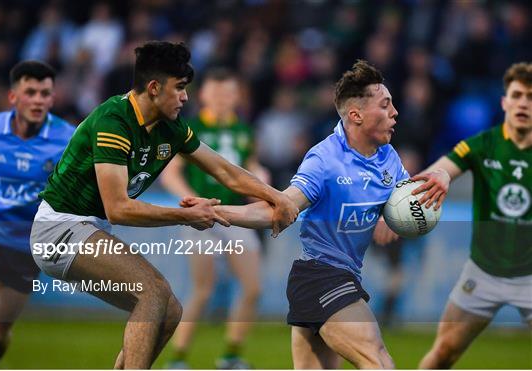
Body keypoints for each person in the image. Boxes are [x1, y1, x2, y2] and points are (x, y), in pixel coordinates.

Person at [29, 41, 298, 369]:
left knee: (170, 311)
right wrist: (186, 215)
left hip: (86, 228)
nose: (186, 97)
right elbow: (119, 209)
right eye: (180, 88)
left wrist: (279, 197)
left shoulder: (170, 127)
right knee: (152, 292)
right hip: (58, 229)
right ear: (154, 88)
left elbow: (226, 171)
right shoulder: (113, 121)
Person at [186, 60, 448, 369]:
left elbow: (407, 199)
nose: (395, 112)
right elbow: (280, 208)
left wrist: (441, 174)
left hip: (339, 277)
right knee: (378, 360)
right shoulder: (324, 160)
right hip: (321, 277)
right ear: (356, 115)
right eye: (386, 105)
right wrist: (216, 211)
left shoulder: (388, 157)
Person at [418, 62, 532, 368]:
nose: (523, 103)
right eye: (518, 95)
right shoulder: (483, 145)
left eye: (531, 97)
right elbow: (436, 172)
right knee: (443, 353)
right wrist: (436, 178)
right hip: (483, 273)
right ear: (504, 101)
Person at [161, 68, 266, 369]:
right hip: (200, 217)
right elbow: (171, 174)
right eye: (216, 92)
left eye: (228, 92)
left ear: (237, 96)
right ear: (203, 95)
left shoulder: (245, 132)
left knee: (253, 287)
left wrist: (261, 181)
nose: (221, 98)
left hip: (235, 216)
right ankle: (178, 359)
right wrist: (192, 203)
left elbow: (251, 169)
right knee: (203, 288)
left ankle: (231, 356)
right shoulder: (189, 128)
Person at [0, 60, 75, 366]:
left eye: (45, 93)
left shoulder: (68, 139)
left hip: (24, 247)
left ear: (53, 98)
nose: (38, 100)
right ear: (13, 97)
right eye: (31, 92)